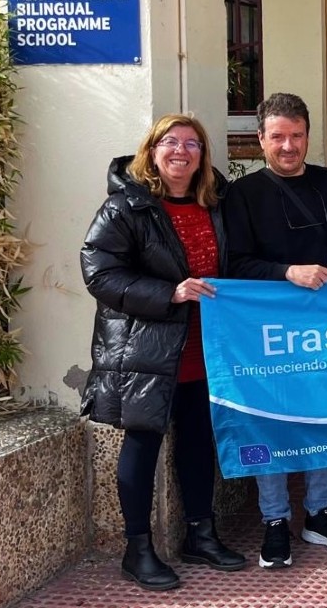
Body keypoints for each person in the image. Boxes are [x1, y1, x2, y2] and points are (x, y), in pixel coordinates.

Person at [81, 114, 246, 591]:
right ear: (151, 150)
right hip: (147, 350)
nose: (181, 151)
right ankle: (138, 549)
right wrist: (168, 293)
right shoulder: (125, 208)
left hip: (202, 347)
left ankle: (201, 532)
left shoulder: (216, 204)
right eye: (170, 142)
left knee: (198, 440)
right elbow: (99, 274)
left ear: (203, 155)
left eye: (192, 143)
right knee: (143, 444)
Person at [223, 92, 327, 568]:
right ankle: (274, 521)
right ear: (260, 140)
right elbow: (235, 264)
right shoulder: (241, 196)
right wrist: (288, 272)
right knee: (273, 419)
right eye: (277, 136)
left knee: (325, 416)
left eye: (297, 136)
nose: (288, 146)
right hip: (268, 333)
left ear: (308, 136)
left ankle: (320, 513)